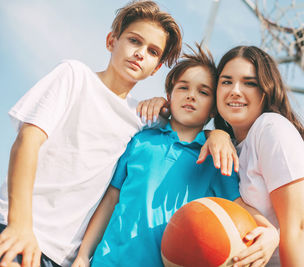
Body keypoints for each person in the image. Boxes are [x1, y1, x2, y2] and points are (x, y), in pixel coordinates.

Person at [0, 1, 184, 266]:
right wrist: (19, 225)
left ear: (156, 68)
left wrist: (218, 135)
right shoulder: (74, 76)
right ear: (112, 41)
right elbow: (27, 140)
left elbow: (186, 129)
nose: (140, 53)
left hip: (62, 256)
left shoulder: (142, 120)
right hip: (17, 229)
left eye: (153, 51)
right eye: (134, 40)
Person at [72, 45, 279, 267]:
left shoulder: (216, 158)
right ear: (169, 96)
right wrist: (84, 255)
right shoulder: (141, 139)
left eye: (203, 92)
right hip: (108, 261)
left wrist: (272, 234)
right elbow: (111, 200)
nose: (191, 95)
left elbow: (241, 206)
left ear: (213, 108)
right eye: (183, 88)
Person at [213, 45, 304, 266]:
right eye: (226, 81)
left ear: (266, 90)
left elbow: (298, 227)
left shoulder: (270, 128)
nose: (235, 90)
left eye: (249, 83)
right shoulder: (231, 147)